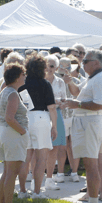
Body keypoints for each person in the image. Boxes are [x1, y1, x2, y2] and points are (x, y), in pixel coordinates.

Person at [63, 49, 102, 203]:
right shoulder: (93, 78)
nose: (82, 63)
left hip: (90, 122)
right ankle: (92, 202)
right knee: (89, 163)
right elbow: (77, 92)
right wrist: (70, 83)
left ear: (96, 63)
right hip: (86, 122)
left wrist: (76, 104)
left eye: (85, 61)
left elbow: (100, 105)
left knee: (91, 165)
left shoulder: (101, 79)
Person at [17, 54, 57, 198]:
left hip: (25, 118)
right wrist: (55, 126)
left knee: (25, 158)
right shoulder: (45, 83)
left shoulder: (21, 82)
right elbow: (52, 107)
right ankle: (37, 192)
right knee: (41, 159)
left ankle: (22, 191)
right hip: (41, 118)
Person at [0, 63, 29, 203]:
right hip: (12, 134)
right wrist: (23, 132)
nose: (25, 77)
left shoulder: (4, 91)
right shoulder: (13, 94)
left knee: (7, 172)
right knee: (11, 174)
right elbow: (9, 118)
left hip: (3, 132)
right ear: (16, 77)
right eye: (23, 74)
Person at [43, 54, 66, 191]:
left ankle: (49, 178)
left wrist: (60, 103)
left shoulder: (60, 82)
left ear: (56, 68)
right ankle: (36, 178)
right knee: (39, 148)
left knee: (55, 147)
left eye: (51, 66)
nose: (48, 68)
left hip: (56, 114)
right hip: (42, 114)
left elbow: (64, 100)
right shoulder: (39, 80)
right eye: (46, 65)